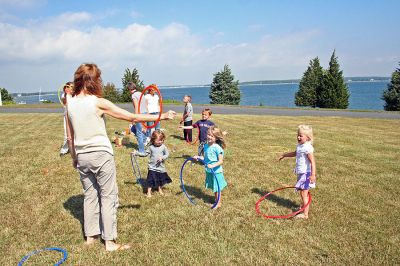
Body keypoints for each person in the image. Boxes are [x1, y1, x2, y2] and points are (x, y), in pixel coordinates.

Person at [66, 63, 176, 251]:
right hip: (100, 154)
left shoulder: (70, 101)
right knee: (108, 197)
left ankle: (90, 237)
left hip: (82, 155)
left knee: (90, 195)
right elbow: (131, 117)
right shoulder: (98, 102)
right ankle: (110, 242)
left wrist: (74, 156)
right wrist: (162, 116)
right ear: (95, 80)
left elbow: (70, 135)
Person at [278, 125, 316, 219]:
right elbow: (295, 153)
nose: (298, 137)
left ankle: (305, 214)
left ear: (307, 137)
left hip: (306, 174)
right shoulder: (300, 146)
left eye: (301, 136)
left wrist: (313, 175)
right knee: (302, 192)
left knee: (304, 193)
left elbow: (312, 162)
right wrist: (284, 155)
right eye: (298, 135)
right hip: (301, 173)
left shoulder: (307, 148)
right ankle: (304, 207)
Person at [194, 126, 227, 209]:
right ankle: (217, 201)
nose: (209, 137)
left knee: (217, 189)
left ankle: (218, 203)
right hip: (209, 170)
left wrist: (212, 165)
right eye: (208, 134)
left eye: (212, 136)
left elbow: (220, 161)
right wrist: (198, 157)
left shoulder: (217, 148)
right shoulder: (206, 146)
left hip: (216, 171)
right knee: (214, 187)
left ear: (216, 138)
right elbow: (205, 159)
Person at [144, 130, 172, 197]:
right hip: (152, 167)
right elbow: (145, 154)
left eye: (161, 140)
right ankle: (149, 192)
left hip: (160, 167)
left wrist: (162, 157)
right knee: (150, 180)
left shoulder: (163, 147)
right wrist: (136, 153)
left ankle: (159, 189)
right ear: (153, 140)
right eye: (158, 140)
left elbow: (167, 154)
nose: (160, 142)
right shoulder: (150, 147)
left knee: (160, 180)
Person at [128, 82, 150, 156]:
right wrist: (147, 113)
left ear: (129, 89)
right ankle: (145, 141)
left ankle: (141, 151)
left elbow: (136, 107)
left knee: (139, 133)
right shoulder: (141, 93)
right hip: (145, 113)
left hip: (139, 114)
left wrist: (135, 118)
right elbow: (145, 104)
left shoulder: (134, 95)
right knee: (141, 130)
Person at [59, 82, 73, 156]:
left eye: (72, 87)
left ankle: (74, 149)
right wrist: (67, 94)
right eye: (69, 87)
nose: (71, 88)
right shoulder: (64, 95)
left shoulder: (75, 95)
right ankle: (64, 150)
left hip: (74, 116)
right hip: (67, 117)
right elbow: (65, 103)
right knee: (66, 135)